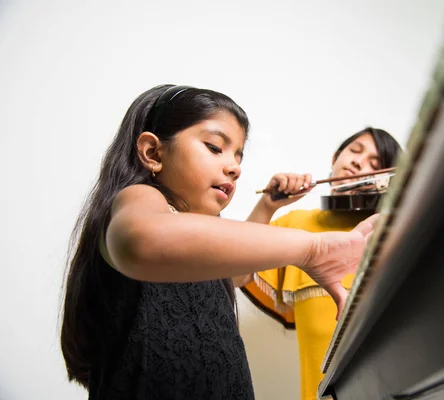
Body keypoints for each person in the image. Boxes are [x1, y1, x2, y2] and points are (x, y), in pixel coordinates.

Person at [60, 85, 378, 400]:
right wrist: (312, 249)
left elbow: (236, 275)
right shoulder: (141, 199)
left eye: (238, 155)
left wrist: (266, 206)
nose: (234, 167)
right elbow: (143, 241)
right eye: (215, 147)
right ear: (153, 153)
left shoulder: (206, 230)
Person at [238, 127, 401, 400]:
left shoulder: (393, 232)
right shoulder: (297, 224)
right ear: (336, 158)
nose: (359, 163)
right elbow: (234, 273)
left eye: (376, 164)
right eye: (355, 151)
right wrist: (267, 206)